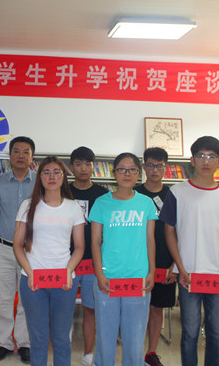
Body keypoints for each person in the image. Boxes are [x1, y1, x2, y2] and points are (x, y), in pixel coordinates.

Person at [162, 136, 219, 366]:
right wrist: (180, 267)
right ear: (192, 160)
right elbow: (169, 232)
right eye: (201, 156)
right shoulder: (177, 192)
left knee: (216, 333)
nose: (206, 161)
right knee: (189, 332)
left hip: (218, 275)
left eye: (212, 157)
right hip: (189, 274)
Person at [13, 156, 85, 366]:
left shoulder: (73, 207)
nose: (51, 177)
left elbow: (79, 247)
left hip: (64, 280)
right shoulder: (27, 205)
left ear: (63, 177)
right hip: (33, 279)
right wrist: (30, 272)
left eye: (56, 172)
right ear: (39, 177)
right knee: (38, 339)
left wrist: (68, 271)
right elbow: (17, 245)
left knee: (62, 339)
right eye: (46, 172)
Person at [90, 152, 156, 366]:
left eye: (132, 170)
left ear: (139, 173)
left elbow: (150, 240)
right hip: (108, 278)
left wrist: (152, 271)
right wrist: (99, 274)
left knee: (135, 340)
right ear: (114, 173)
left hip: (137, 279)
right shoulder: (101, 203)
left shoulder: (146, 203)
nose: (127, 174)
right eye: (122, 169)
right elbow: (95, 242)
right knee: (105, 337)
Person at [0, 136, 36, 363]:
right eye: (16, 151)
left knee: (27, 298)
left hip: (31, 251)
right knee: (4, 298)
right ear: (10, 155)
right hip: (4, 247)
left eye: (26, 152)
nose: (21, 156)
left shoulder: (40, 182)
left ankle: (25, 343)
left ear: (32, 157)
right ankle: (4, 343)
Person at [135, 147, 177, 366]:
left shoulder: (173, 195)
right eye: (150, 165)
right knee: (135, 306)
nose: (154, 170)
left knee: (156, 307)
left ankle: (151, 353)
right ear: (144, 167)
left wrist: (175, 265)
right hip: (136, 260)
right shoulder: (133, 192)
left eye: (159, 166)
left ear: (165, 168)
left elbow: (181, 232)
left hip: (164, 261)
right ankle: (134, 351)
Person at [68, 147, 108, 366]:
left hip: (94, 261)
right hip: (68, 260)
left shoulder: (103, 194)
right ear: (71, 167)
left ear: (94, 166)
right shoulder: (63, 191)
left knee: (91, 308)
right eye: (78, 164)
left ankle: (88, 352)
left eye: (87, 164)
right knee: (64, 308)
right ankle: (63, 348)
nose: (83, 168)